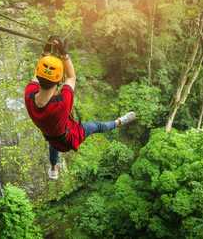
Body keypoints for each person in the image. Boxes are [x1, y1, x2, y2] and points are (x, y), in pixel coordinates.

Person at [24, 38, 136, 180]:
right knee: (97, 126)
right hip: (69, 137)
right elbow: (71, 77)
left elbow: (40, 75)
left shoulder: (29, 96)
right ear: (58, 81)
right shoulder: (61, 103)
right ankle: (119, 122)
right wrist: (62, 53)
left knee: (53, 148)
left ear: (39, 77)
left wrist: (47, 55)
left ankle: (53, 168)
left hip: (52, 135)